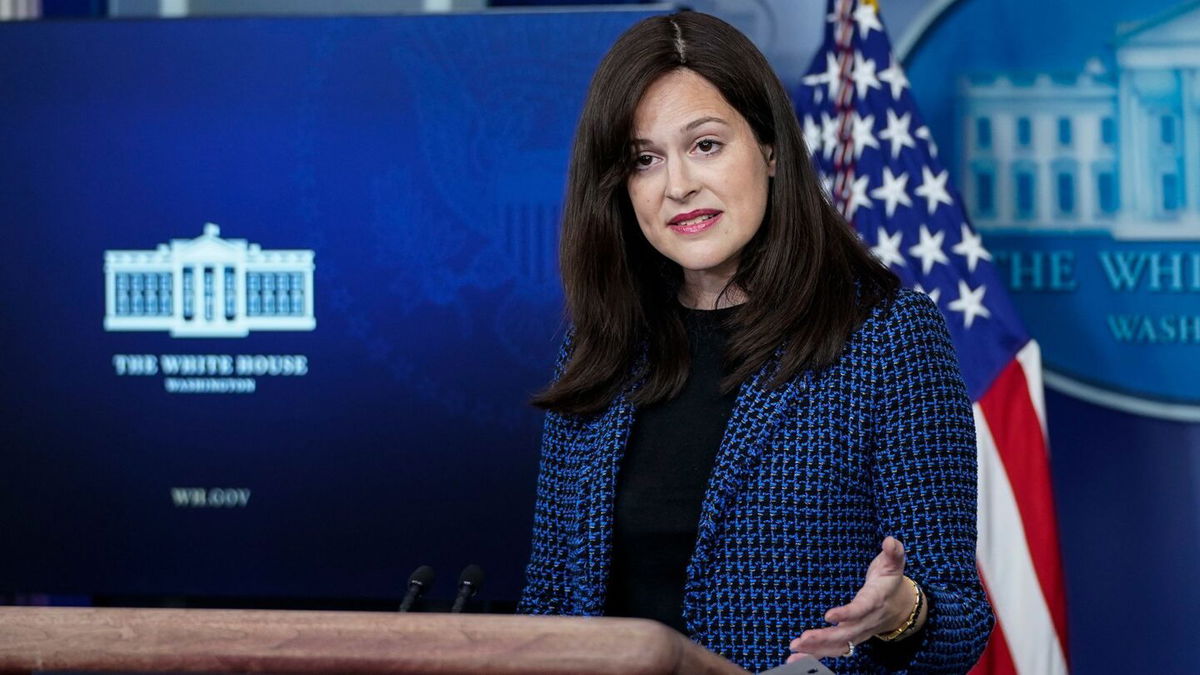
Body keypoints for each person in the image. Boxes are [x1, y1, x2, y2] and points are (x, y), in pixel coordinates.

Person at [517, 10, 992, 674]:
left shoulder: (888, 336)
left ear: (769, 148)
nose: (678, 184)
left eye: (705, 145)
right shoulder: (599, 350)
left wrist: (903, 610)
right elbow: (549, 601)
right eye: (644, 160)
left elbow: (958, 621)